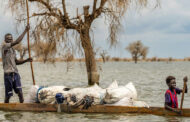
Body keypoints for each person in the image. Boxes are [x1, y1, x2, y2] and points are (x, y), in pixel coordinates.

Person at [1, 25, 32, 103]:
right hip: (8, 75)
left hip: (15, 73)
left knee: (20, 92)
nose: (10, 40)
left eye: (11, 39)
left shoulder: (13, 50)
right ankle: (6, 108)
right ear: (5, 40)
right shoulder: (4, 46)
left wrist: (26, 60)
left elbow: (16, 62)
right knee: (8, 95)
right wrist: (25, 30)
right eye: (8, 39)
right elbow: (17, 41)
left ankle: (22, 107)